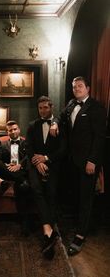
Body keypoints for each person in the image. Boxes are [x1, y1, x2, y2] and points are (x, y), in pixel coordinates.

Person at [50, 76, 106, 256]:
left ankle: (81, 235)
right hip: (72, 160)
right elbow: (61, 115)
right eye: (74, 87)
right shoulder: (71, 103)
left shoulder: (96, 107)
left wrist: (93, 161)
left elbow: (99, 138)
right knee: (76, 195)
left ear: (88, 88)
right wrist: (55, 123)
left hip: (88, 162)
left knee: (86, 199)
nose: (77, 89)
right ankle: (78, 225)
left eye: (80, 86)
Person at [25, 96, 66, 259]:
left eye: (45, 107)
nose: (43, 110)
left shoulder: (58, 124)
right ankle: (48, 230)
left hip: (53, 165)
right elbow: (28, 147)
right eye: (40, 108)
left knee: (51, 192)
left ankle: (48, 231)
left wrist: (46, 159)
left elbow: (63, 150)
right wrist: (37, 162)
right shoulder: (32, 125)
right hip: (35, 165)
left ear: (51, 107)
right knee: (36, 189)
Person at [0, 120, 31, 236]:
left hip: (21, 171)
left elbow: (30, 156)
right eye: (10, 130)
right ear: (7, 132)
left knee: (22, 188)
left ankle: (24, 222)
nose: (13, 131)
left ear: (19, 130)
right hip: (8, 171)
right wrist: (6, 165)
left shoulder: (27, 143)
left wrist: (20, 165)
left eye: (15, 129)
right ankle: (21, 180)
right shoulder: (2, 144)